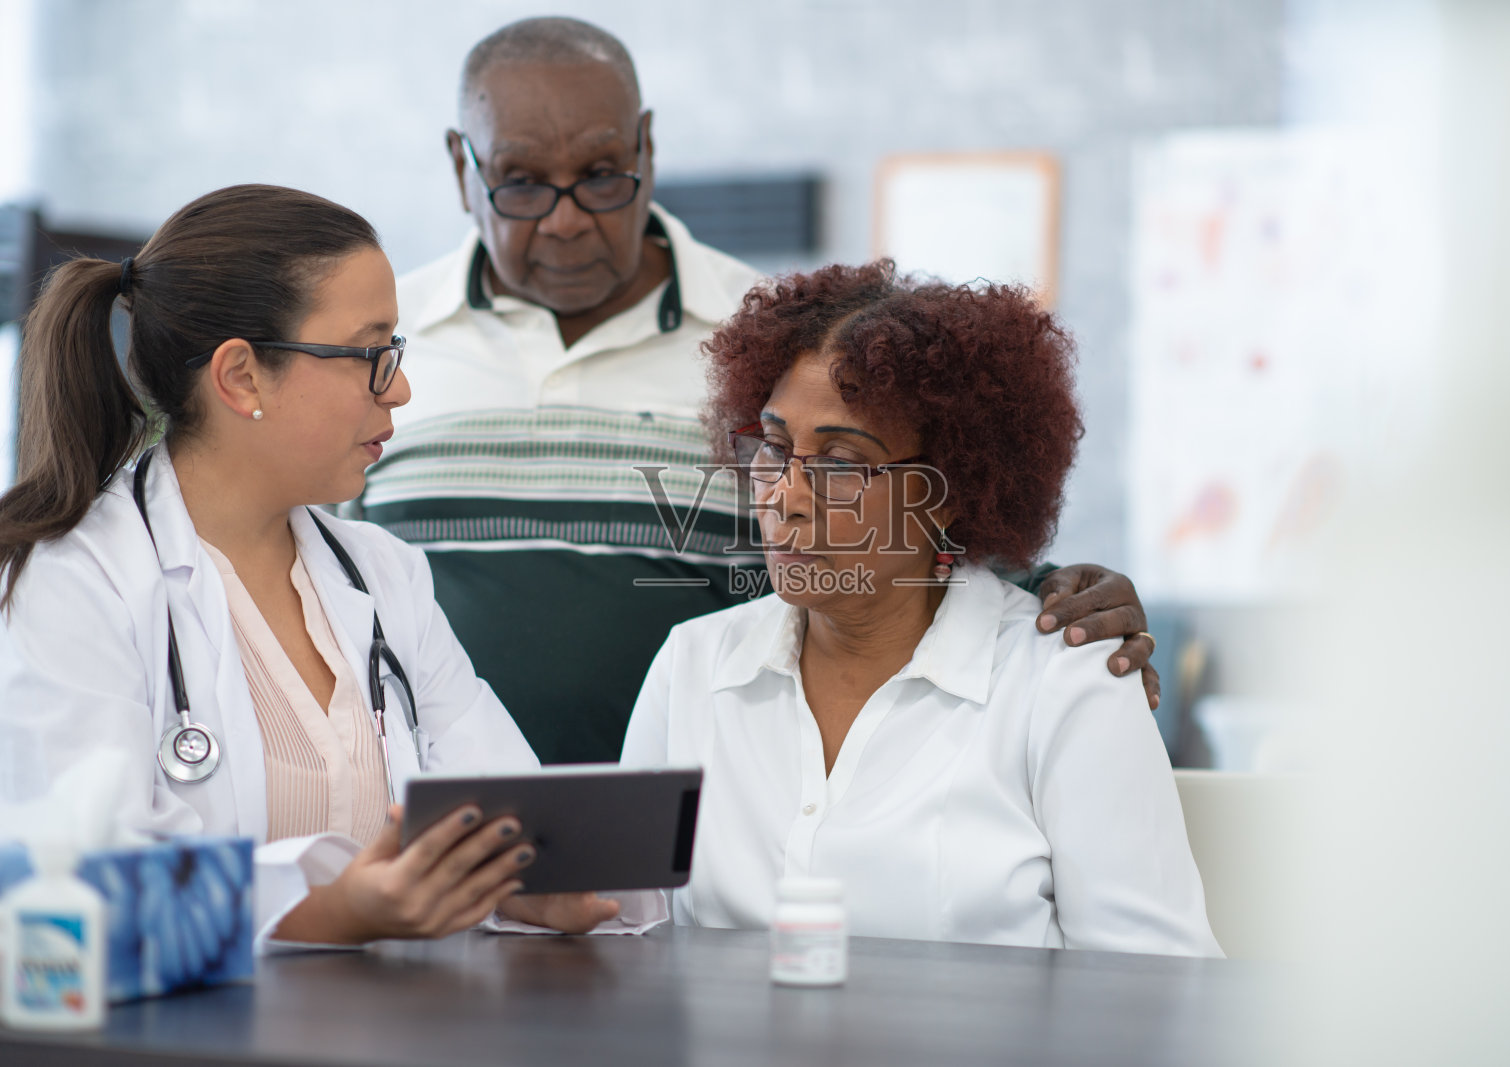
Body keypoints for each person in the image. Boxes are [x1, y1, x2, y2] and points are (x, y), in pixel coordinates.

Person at [348, 16, 1165, 765]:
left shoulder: (775, 353)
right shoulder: (382, 348)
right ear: (463, 166)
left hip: (702, 821)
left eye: (601, 175)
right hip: (431, 823)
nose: (565, 220)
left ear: (647, 149)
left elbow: (911, 537)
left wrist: (1053, 592)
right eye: (521, 183)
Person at [0, 185, 628, 951]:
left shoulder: (384, 575)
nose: (399, 387)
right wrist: (337, 912)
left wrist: (528, 885)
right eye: (371, 354)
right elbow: (77, 890)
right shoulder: (73, 580)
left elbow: (506, 813)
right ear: (241, 377)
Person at [620, 262, 1220, 956]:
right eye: (776, 448)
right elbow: (632, 940)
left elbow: (1155, 992)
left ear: (950, 492)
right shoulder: (691, 668)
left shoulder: (1066, 686)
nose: (784, 495)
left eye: (841, 463)